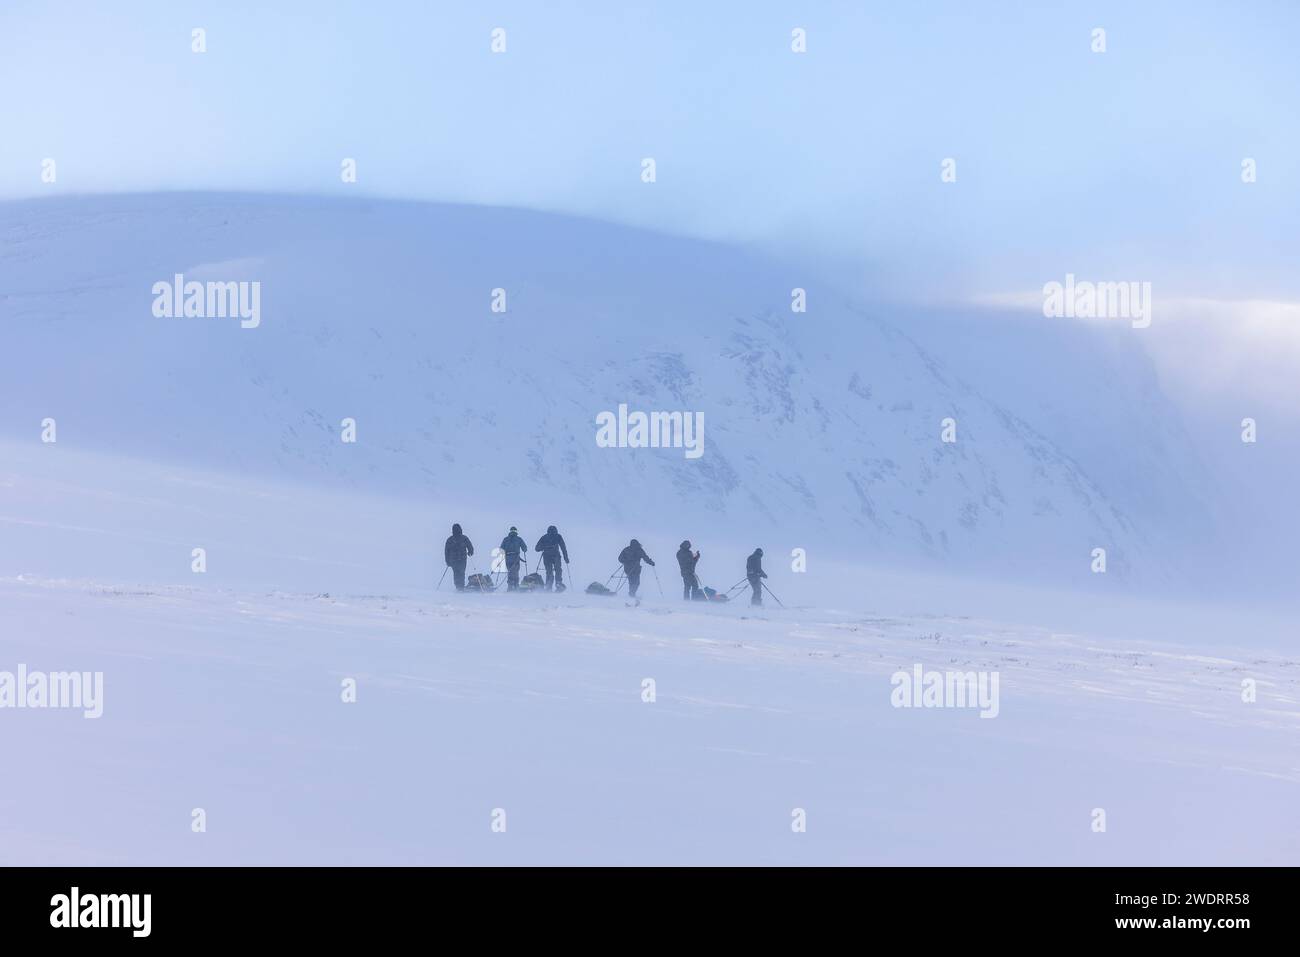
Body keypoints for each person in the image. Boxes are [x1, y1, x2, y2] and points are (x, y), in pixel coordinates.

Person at [534, 525, 570, 592]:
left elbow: (537, 548)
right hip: (556, 556)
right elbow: (563, 547)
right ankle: (558, 584)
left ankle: (548, 586)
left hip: (546, 556)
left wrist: (544, 547)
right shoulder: (558, 536)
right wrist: (566, 558)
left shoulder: (544, 537)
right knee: (558, 570)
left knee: (549, 571)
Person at [444, 523, 474, 591]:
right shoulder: (451, 540)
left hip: (461, 559)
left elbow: (470, 547)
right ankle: (458, 587)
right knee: (458, 573)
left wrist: (470, 552)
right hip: (455, 560)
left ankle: (460, 587)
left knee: (460, 572)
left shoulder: (462, 538)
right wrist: (447, 561)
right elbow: (447, 551)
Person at [500, 526, 528, 591]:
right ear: (516, 531)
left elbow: (501, 549)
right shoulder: (519, 539)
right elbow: (525, 548)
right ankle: (516, 586)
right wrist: (524, 549)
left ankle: (510, 586)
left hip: (508, 557)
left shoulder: (505, 539)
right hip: (516, 557)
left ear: (510, 531)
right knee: (515, 571)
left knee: (509, 571)